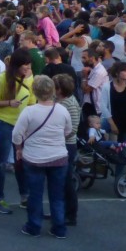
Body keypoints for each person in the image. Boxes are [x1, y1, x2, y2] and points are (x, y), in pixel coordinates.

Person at [13, 76, 72, 239]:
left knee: (35, 194)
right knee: (57, 194)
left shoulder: (29, 111)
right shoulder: (62, 110)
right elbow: (68, 131)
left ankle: (34, 226)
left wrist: (19, 148)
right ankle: (59, 227)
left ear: (34, 91)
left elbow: (17, 134)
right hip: (58, 157)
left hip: (34, 157)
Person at [0, 48, 35, 214]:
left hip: (21, 125)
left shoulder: (30, 79)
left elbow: (31, 102)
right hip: (3, 123)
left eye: (29, 66)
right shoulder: (3, 79)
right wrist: (9, 102)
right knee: (0, 163)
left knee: (21, 162)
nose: (28, 70)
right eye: (25, 66)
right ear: (17, 66)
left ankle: (25, 197)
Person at [53, 74, 82, 226]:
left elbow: (73, 128)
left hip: (66, 145)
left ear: (60, 89)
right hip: (59, 143)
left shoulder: (69, 103)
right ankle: (59, 210)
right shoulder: (58, 100)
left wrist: (58, 137)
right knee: (59, 180)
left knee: (65, 180)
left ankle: (71, 214)